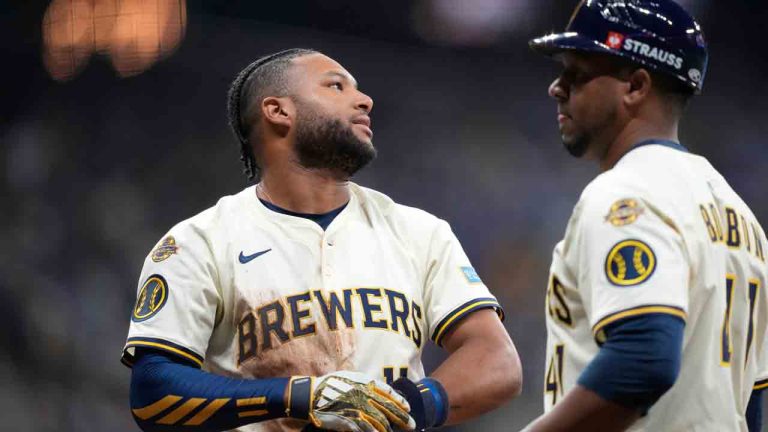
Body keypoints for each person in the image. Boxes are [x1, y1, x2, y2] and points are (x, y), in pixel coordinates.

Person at [122, 48, 522, 432]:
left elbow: (498, 361)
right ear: (278, 111)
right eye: (336, 86)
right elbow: (153, 391)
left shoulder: (419, 231)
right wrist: (301, 395)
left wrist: (406, 406)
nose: (364, 100)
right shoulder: (199, 242)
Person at [524, 1, 768, 431]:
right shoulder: (740, 216)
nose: (557, 88)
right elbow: (753, 404)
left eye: (577, 73)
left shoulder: (627, 193)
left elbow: (642, 360)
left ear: (635, 86)